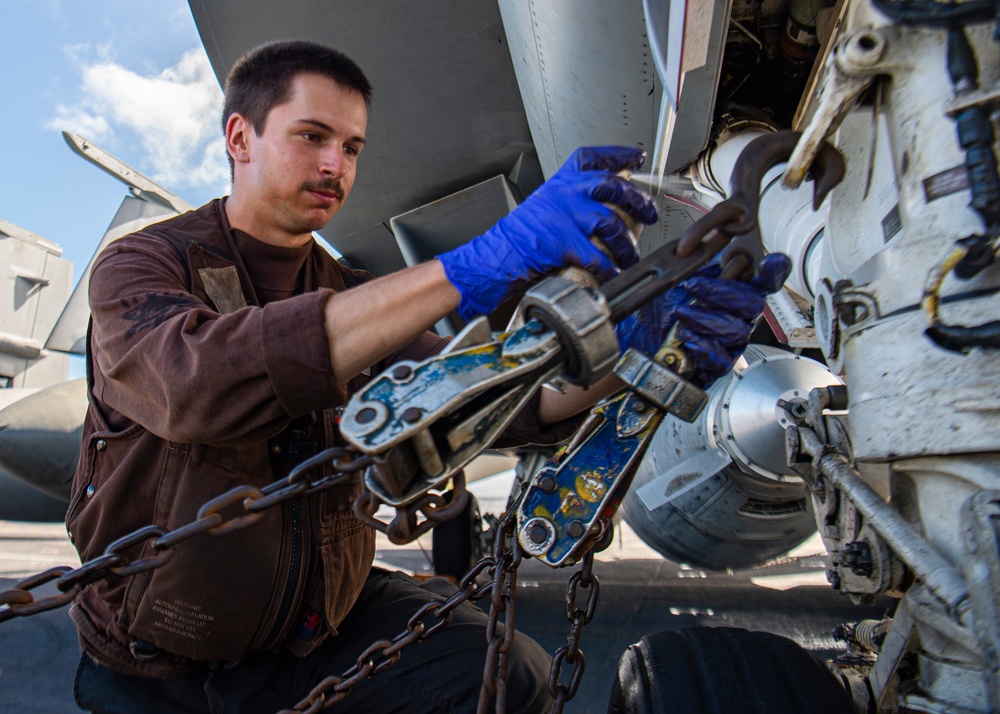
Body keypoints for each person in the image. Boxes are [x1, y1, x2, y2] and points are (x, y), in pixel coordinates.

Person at [67, 40, 789, 714]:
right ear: (239, 139)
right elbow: (192, 382)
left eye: (351, 147)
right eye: (311, 136)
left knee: (511, 676)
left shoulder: (352, 289)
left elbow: (501, 402)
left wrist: (638, 348)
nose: (335, 167)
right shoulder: (144, 267)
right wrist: (477, 262)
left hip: (320, 626)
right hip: (167, 659)